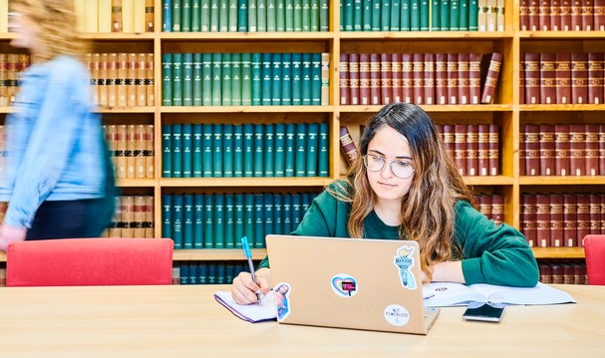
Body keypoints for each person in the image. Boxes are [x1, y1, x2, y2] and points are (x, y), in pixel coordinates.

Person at [231, 102, 539, 305]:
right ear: (363, 155)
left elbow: (522, 264)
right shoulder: (337, 200)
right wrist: (262, 279)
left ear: (424, 166)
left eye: (402, 163)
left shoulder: (448, 212)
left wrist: (435, 271)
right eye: (376, 159)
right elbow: (288, 256)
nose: (386, 174)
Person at [0, 0, 116, 253]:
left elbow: (47, 152)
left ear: (43, 21)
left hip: (63, 207)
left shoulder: (62, 74)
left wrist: (16, 218)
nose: (13, 21)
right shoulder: (45, 72)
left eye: (21, 14)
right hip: (51, 203)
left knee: (49, 293)